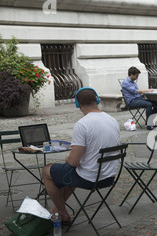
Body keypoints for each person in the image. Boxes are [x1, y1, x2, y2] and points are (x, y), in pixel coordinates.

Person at [42, 87, 121, 224]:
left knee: (47, 171)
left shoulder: (82, 124)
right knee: (69, 175)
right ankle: (56, 209)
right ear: (97, 100)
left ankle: (63, 213)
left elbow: (73, 162)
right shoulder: (112, 120)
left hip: (90, 178)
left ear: (77, 104)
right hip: (108, 176)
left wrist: (69, 158)